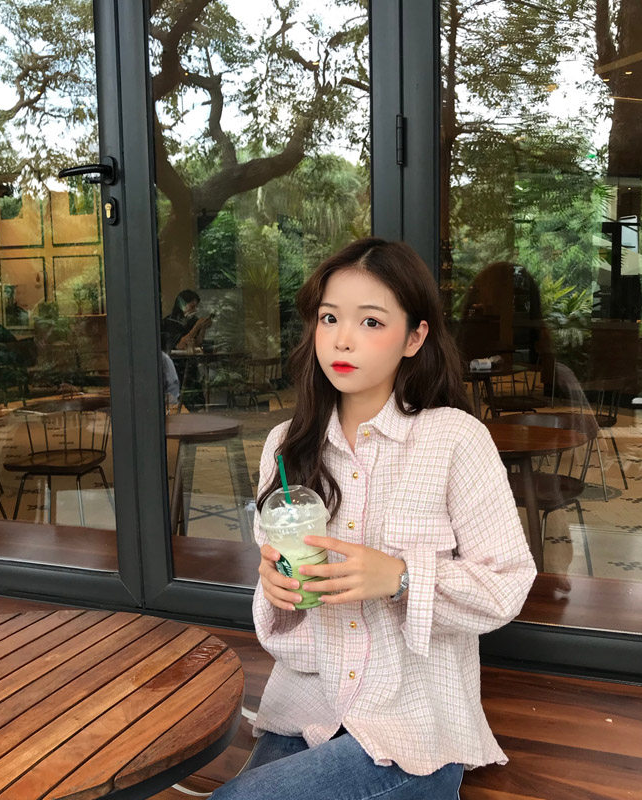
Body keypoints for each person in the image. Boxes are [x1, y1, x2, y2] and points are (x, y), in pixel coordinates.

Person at [212, 238, 536, 800]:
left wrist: (400, 578)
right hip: (308, 706)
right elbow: (285, 627)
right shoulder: (286, 448)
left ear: (415, 337)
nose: (342, 339)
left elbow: (507, 584)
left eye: (370, 322)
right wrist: (277, 590)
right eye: (329, 318)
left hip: (413, 724)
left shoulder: (454, 440)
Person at [160, 290, 213, 410]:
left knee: (196, 398)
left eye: (196, 307)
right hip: (177, 366)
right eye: (192, 307)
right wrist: (196, 327)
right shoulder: (170, 322)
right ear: (182, 305)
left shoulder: (192, 321)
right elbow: (180, 344)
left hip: (191, 366)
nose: (194, 310)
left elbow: (197, 343)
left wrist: (203, 328)